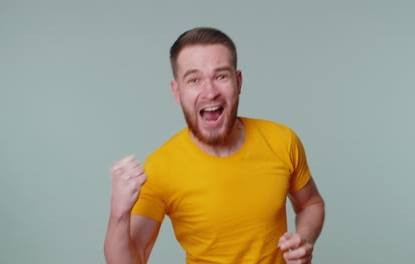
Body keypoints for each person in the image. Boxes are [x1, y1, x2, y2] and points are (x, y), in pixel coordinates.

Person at [104, 27, 325, 264]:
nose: (209, 92)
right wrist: (119, 214)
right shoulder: (160, 168)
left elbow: (310, 203)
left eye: (221, 76)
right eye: (194, 80)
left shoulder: (282, 140)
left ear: (238, 82)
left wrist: (304, 238)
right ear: (177, 92)